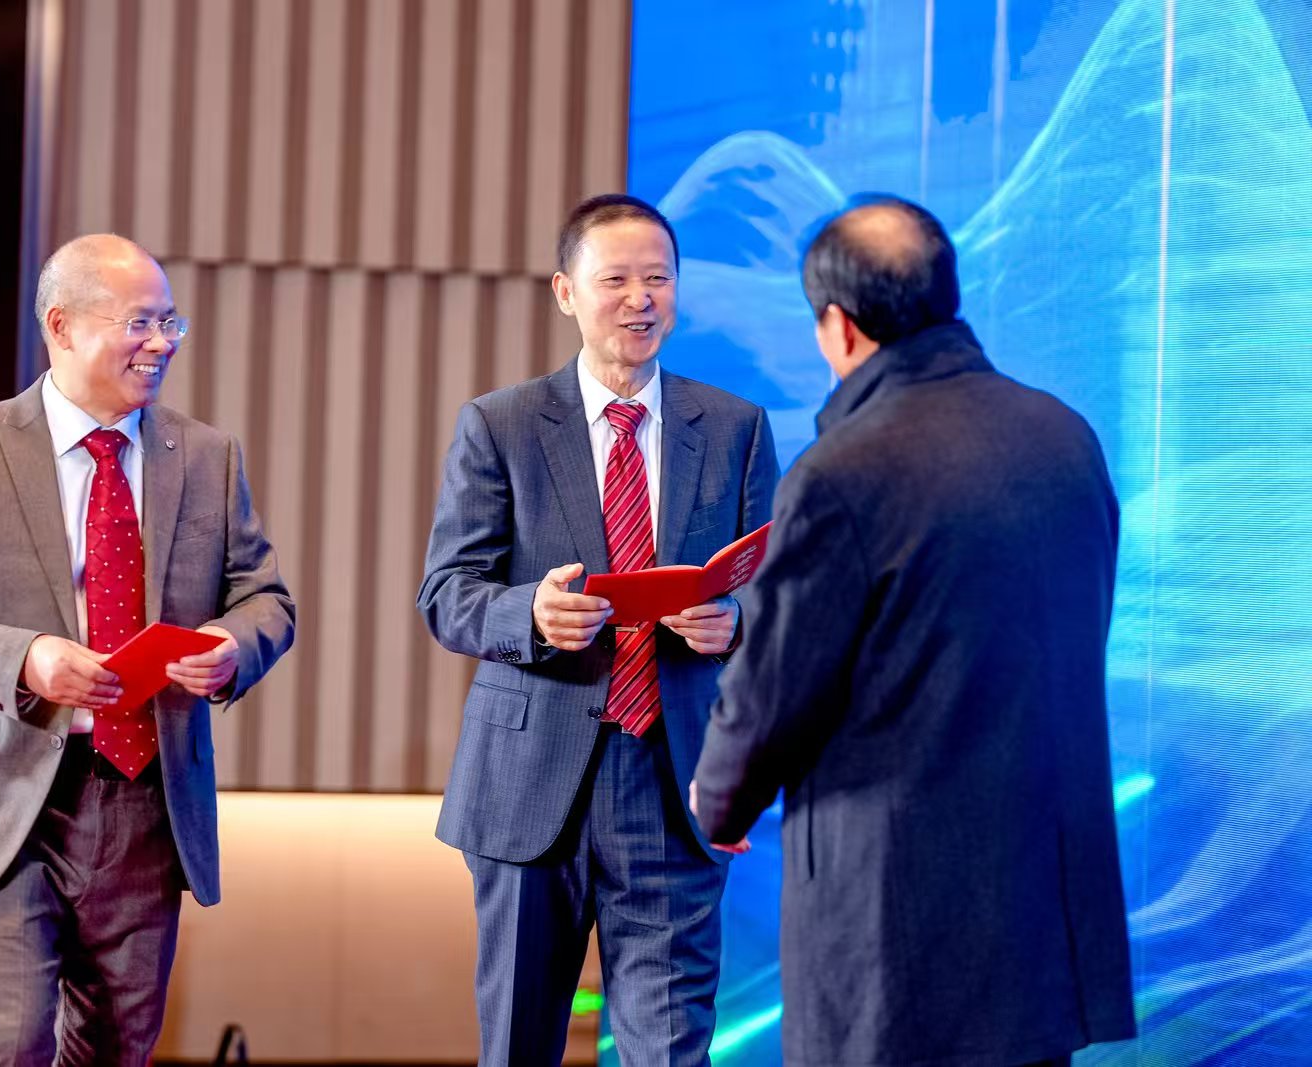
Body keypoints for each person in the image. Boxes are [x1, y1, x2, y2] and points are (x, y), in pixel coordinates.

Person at [693, 195, 1136, 1067]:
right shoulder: (1065, 436)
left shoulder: (841, 470)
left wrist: (716, 800)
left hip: (896, 928)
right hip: (1042, 922)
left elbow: (775, 691)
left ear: (839, 326)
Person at [0, 233, 295, 1064]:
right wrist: (25, 658)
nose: (162, 342)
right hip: (4, 790)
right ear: (61, 326)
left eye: (171, 322)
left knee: (115, 1047)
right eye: (140, 322)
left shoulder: (206, 456)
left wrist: (230, 645)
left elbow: (265, 599)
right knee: (6, 1041)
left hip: (145, 797)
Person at [418, 194, 778, 1065]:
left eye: (659, 278)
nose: (640, 299)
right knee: (519, 1043)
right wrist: (529, 613)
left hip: (672, 779)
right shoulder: (500, 424)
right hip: (528, 783)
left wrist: (733, 621)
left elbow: (781, 595)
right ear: (565, 292)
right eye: (615, 279)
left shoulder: (735, 428)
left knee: (670, 1050)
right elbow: (446, 593)